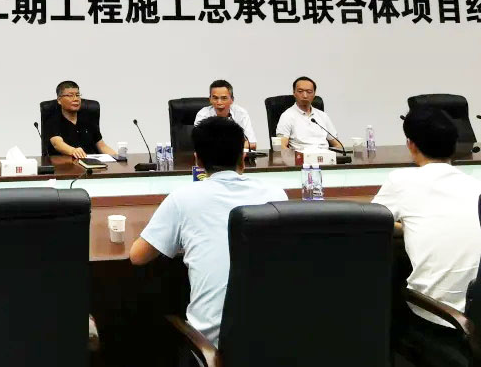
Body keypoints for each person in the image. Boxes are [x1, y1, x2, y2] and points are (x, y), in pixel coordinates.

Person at [129, 117, 286, 346]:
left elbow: (138, 256)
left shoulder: (183, 198)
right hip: (273, 337)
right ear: (243, 158)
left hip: (209, 345)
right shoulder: (276, 195)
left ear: (198, 161)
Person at [372, 107, 481, 365]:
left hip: (440, 318)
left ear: (411, 145)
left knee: (386, 285)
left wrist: (403, 226)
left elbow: (372, 224)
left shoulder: (400, 181)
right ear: (454, 146)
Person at [46, 80, 117, 159]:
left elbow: (102, 146)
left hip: (92, 163)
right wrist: (73, 151)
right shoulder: (53, 120)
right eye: (70, 95)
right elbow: (57, 143)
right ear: (59, 100)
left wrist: (118, 157)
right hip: (66, 164)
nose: (76, 99)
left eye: (77, 95)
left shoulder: (88, 119)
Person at [275, 76, 339, 149]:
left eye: (309, 92)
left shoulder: (323, 116)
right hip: (300, 155)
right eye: (300, 91)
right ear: (294, 93)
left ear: (314, 94)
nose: (305, 96)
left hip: (325, 154)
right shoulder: (287, 116)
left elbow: (337, 145)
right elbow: (281, 146)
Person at [192, 79, 257, 150]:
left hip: (235, 156)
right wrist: (235, 145)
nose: (219, 102)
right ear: (210, 99)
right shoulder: (203, 115)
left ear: (232, 100)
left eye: (224, 98)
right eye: (215, 98)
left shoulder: (241, 113)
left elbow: (252, 144)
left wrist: (222, 146)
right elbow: (200, 145)